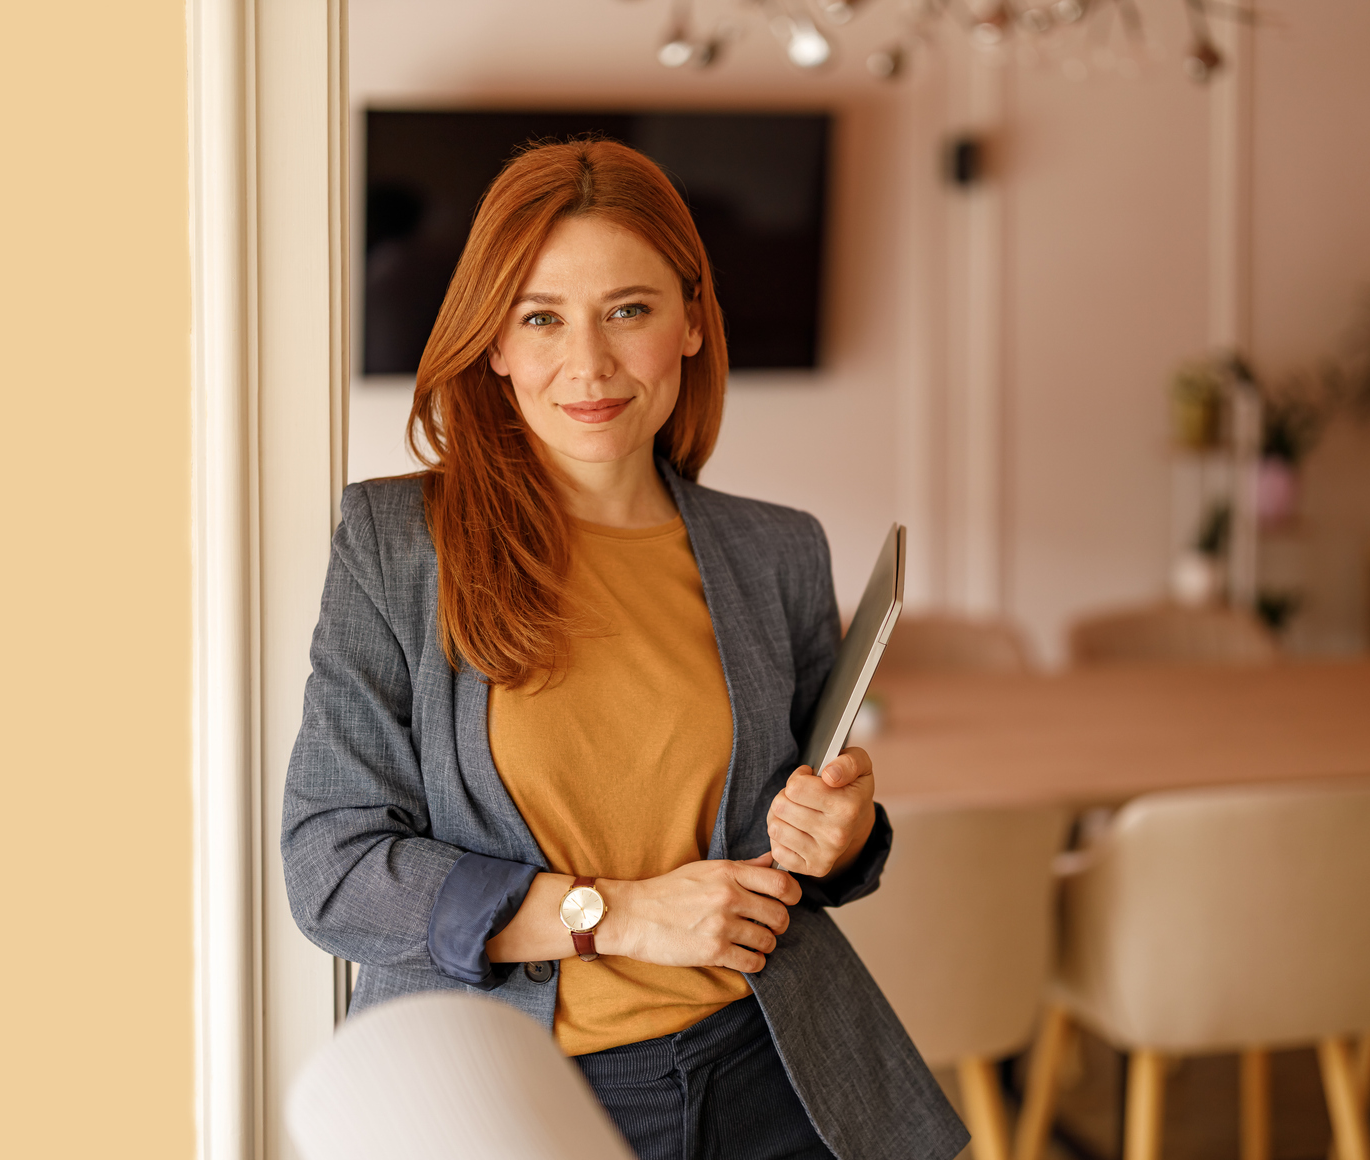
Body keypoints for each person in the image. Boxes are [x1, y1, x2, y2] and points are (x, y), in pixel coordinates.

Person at [281, 139, 966, 1160]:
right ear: (494, 341)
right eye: (541, 316)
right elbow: (330, 869)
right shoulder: (396, 547)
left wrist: (842, 834)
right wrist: (614, 915)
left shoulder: (776, 550)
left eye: (628, 310)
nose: (588, 364)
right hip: (519, 1097)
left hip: (770, 1072)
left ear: (690, 322)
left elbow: (804, 840)